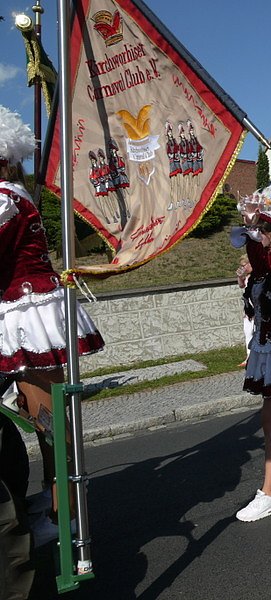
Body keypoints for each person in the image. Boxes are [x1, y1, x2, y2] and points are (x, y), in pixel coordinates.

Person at [0, 105, 105, 545]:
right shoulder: (14, 192)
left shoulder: (4, 197)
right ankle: (55, 499)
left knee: (48, 420)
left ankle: (68, 518)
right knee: (45, 417)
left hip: (29, 314)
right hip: (30, 309)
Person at [229, 197, 271, 522]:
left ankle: (269, 495)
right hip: (268, 348)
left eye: (267, 228)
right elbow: (255, 259)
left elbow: (263, 259)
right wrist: (248, 221)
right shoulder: (261, 267)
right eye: (260, 228)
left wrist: (252, 226)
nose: (260, 234)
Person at [236, 255, 254, 367]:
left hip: (256, 310)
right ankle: (248, 356)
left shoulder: (256, 275)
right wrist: (240, 277)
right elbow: (241, 285)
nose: (242, 268)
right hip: (248, 309)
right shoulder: (247, 276)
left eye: (244, 265)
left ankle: (254, 357)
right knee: (248, 333)